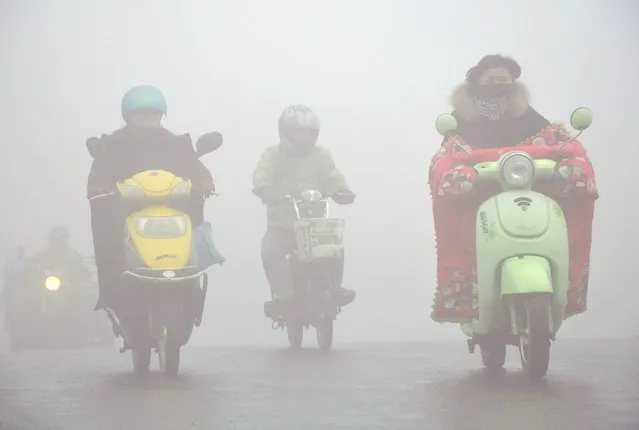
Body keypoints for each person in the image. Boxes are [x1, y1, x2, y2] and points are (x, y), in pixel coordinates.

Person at [429, 54, 598, 322]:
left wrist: (569, 163)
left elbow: (556, 141)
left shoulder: (528, 118)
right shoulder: (458, 122)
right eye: (490, 81)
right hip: (480, 202)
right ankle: (467, 298)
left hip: (525, 194)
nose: (498, 86)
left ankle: (564, 286)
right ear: (476, 83)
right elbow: (448, 153)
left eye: (504, 81)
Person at [86, 85, 215, 310]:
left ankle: (192, 282)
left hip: (173, 207)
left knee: (196, 230)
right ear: (129, 117)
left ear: (161, 116)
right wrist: (98, 187)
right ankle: (113, 294)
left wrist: (205, 180)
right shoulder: (113, 144)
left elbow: (194, 164)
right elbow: (100, 169)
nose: (149, 119)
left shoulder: (176, 143)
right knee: (109, 242)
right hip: (126, 211)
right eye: (142, 114)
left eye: (153, 114)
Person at [252, 104, 356, 310]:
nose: (304, 136)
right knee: (270, 250)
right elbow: (262, 174)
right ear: (286, 132)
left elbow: (331, 176)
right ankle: (284, 295)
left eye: (309, 132)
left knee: (336, 248)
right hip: (282, 223)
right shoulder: (272, 154)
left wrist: (341, 191)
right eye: (299, 131)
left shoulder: (322, 155)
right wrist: (266, 189)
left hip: (315, 225)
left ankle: (333, 288)